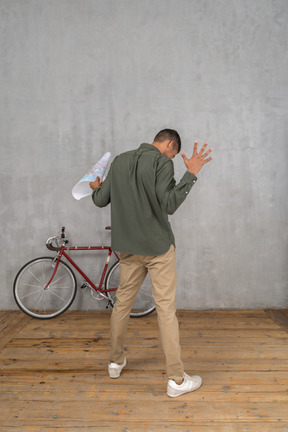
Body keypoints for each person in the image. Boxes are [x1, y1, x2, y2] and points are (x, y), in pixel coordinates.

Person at [90, 129, 213, 397]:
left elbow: (100, 200)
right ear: (170, 144)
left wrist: (96, 187)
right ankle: (176, 381)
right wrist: (191, 174)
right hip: (157, 247)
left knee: (122, 302)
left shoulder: (120, 160)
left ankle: (115, 361)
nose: (173, 156)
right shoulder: (162, 162)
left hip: (129, 248)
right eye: (174, 152)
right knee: (166, 309)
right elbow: (169, 204)